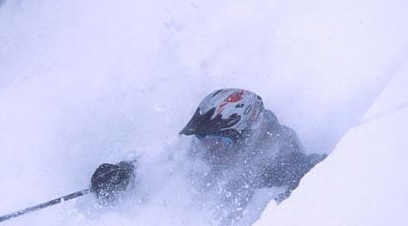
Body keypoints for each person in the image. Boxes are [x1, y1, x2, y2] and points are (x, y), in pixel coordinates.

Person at [90, 88, 326, 215]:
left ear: (248, 137)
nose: (208, 150)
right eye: (203, 140)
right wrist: (125, 171)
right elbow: (162, 161)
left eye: (219, 142)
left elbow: (313, 173)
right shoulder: (204, 154)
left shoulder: (278, 160)